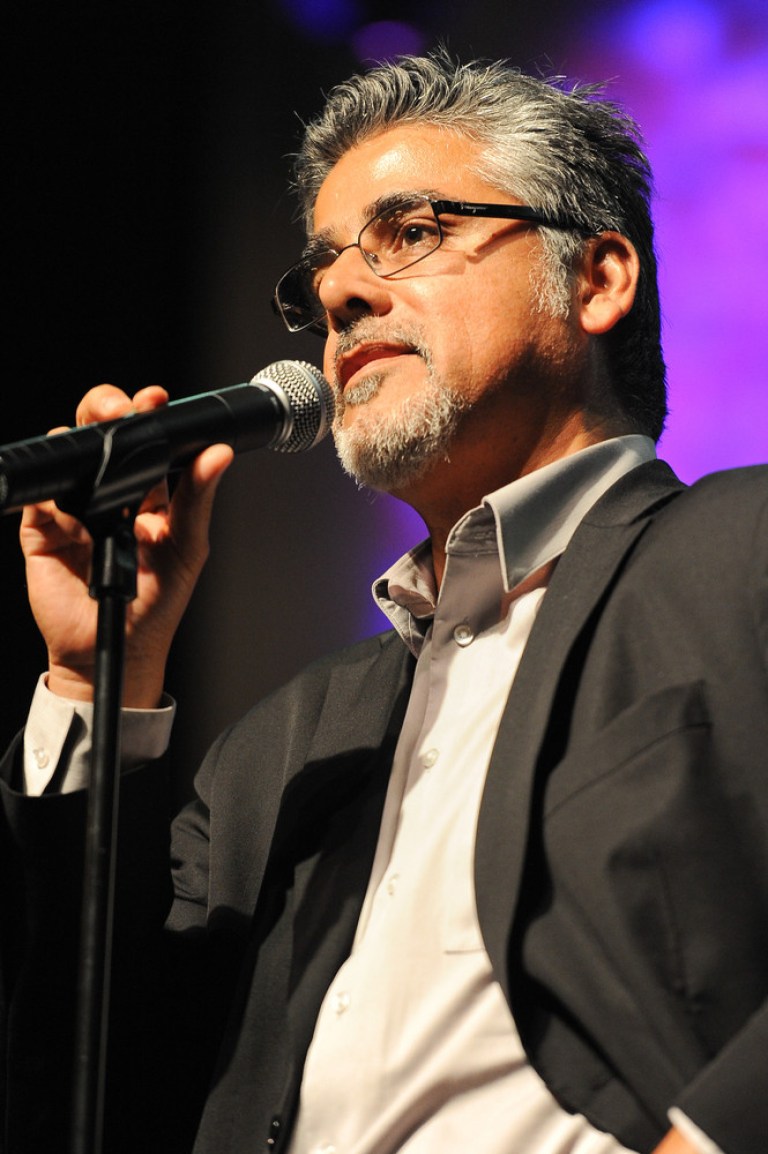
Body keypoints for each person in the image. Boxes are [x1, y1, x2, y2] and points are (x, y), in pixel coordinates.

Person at [1, 50, 766, 1154]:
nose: (339, 292)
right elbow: (95, 1076)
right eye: (322, 269)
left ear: (597, 278)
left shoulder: (739, 555)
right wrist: (94, 677)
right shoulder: (289, 745)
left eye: (412, 231)